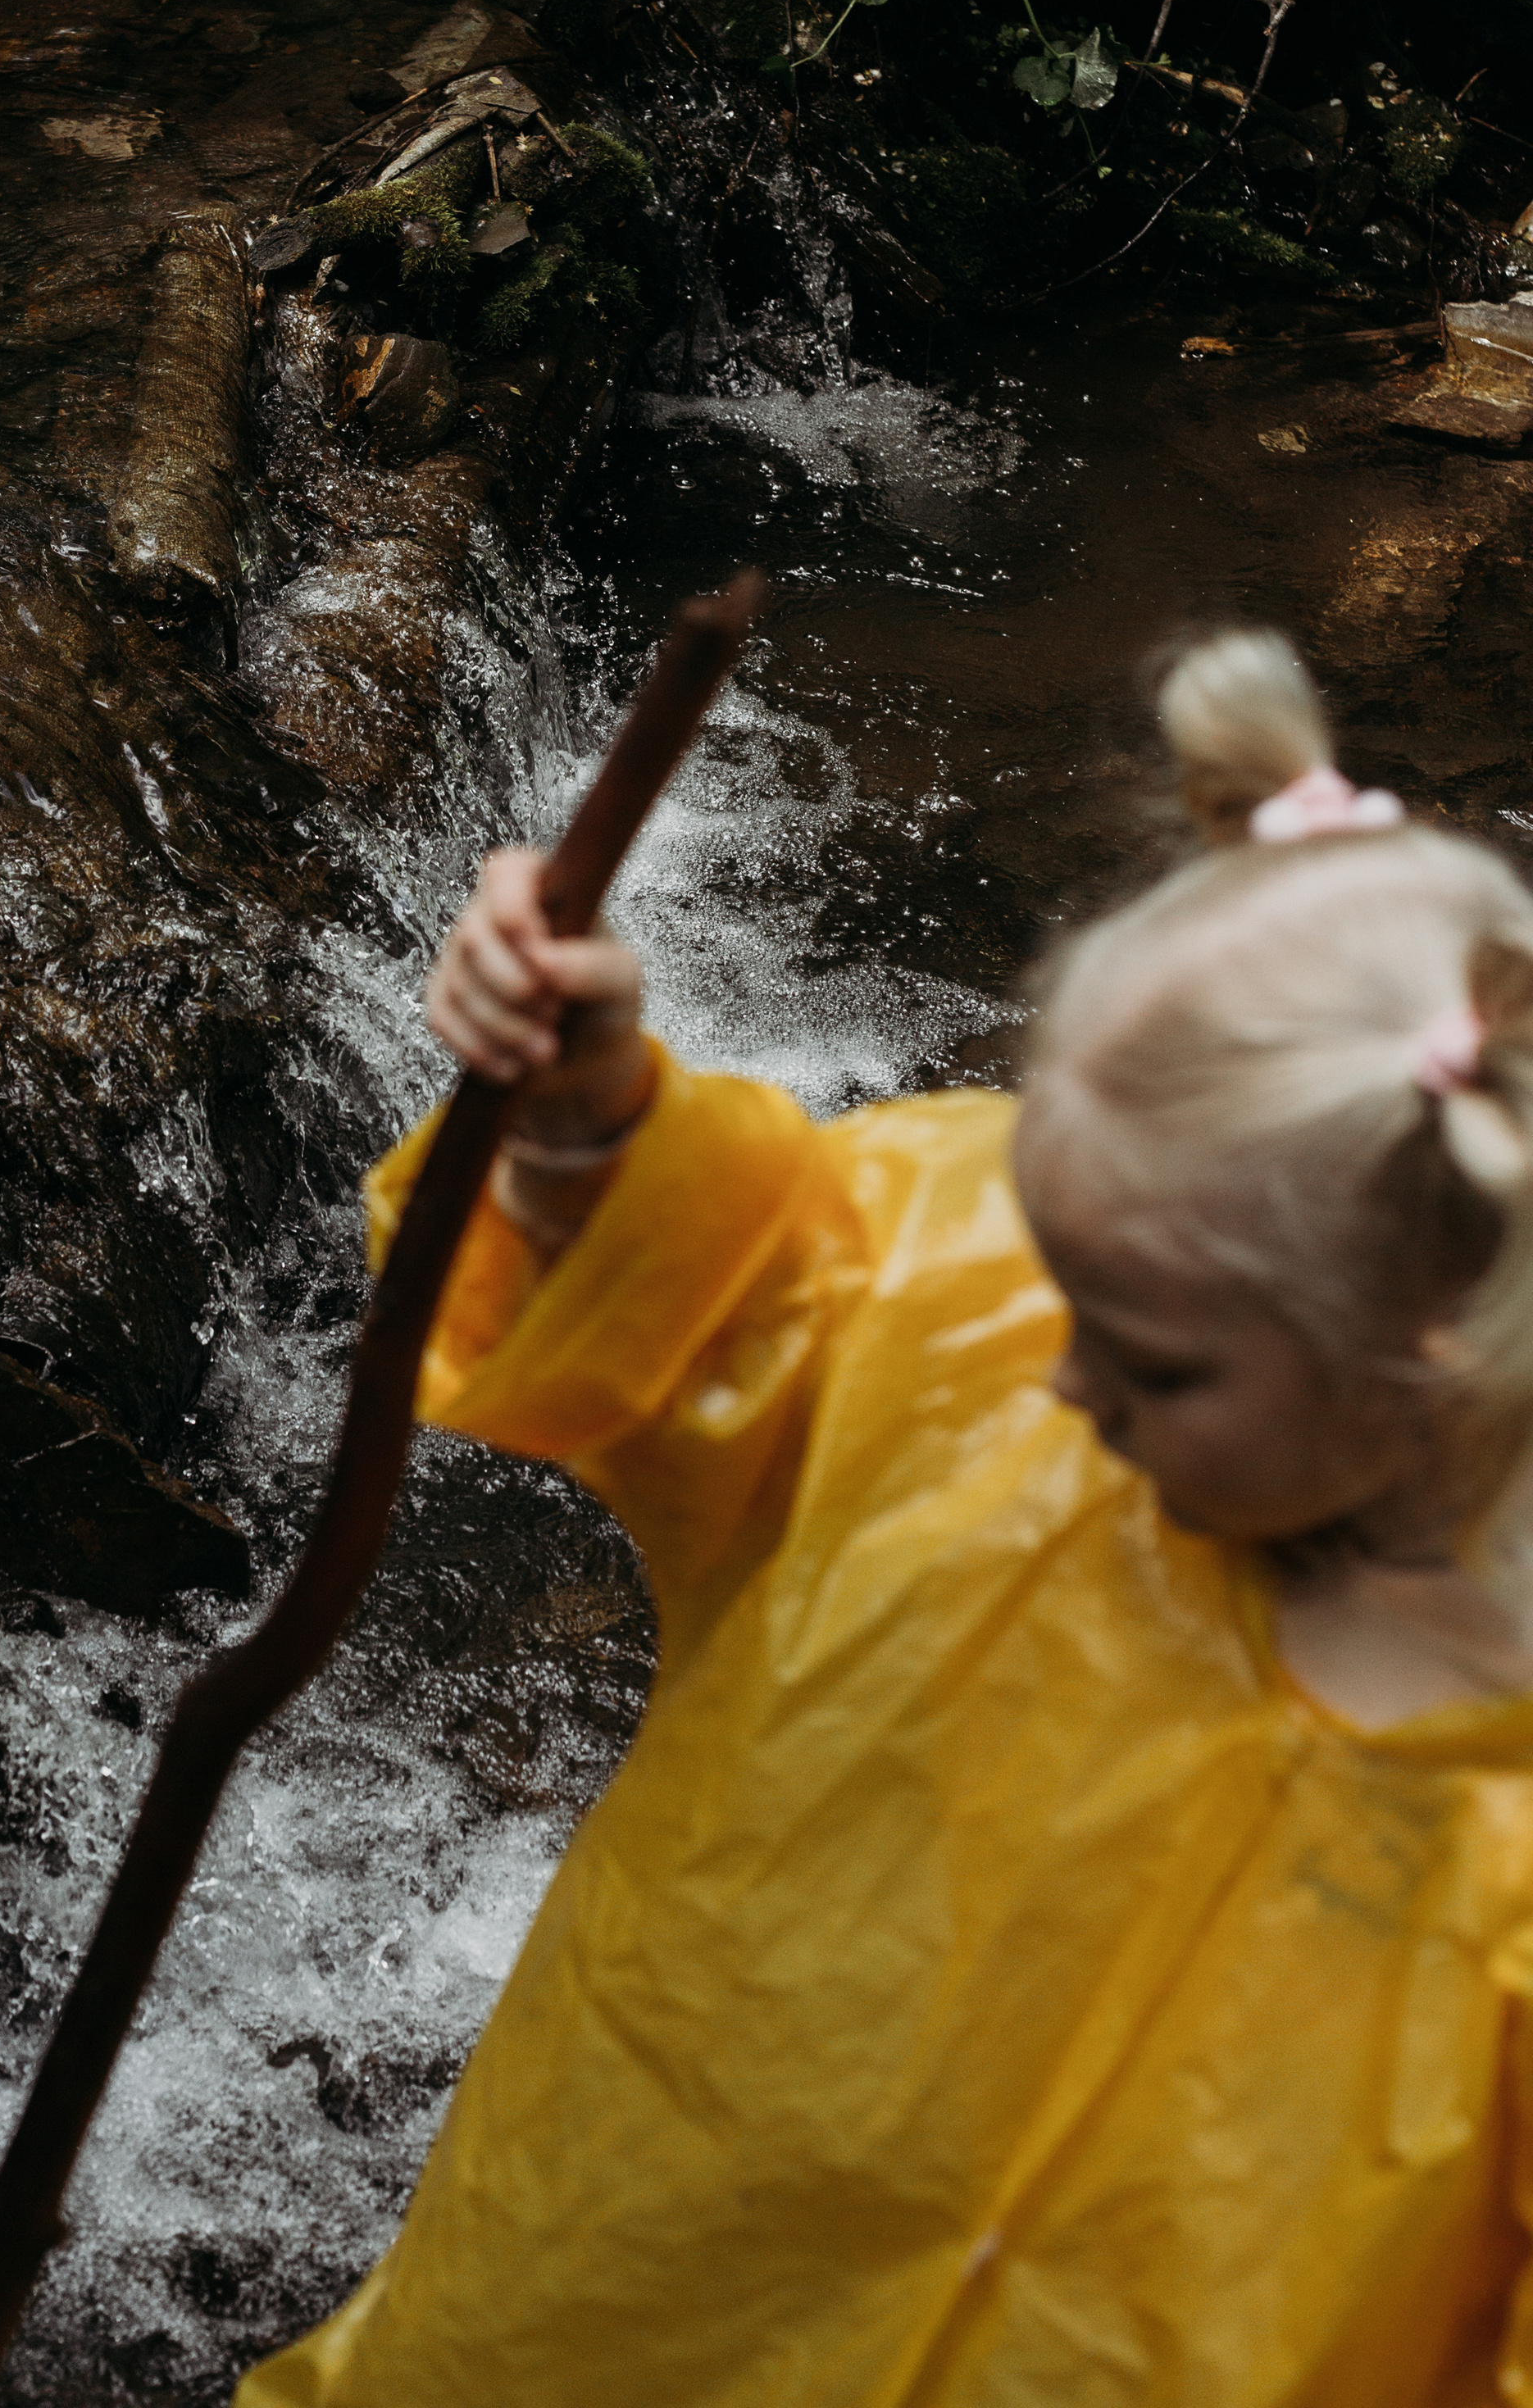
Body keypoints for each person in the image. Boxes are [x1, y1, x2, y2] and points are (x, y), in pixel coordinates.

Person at [235, 629, 1533, 2408]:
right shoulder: (960, 1306)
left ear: (1435, 1351)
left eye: (1151, 1367)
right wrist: (588, 1123)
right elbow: (713, 1311)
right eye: (1062, 1281)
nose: (1064, 1386)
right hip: (607, 2322)